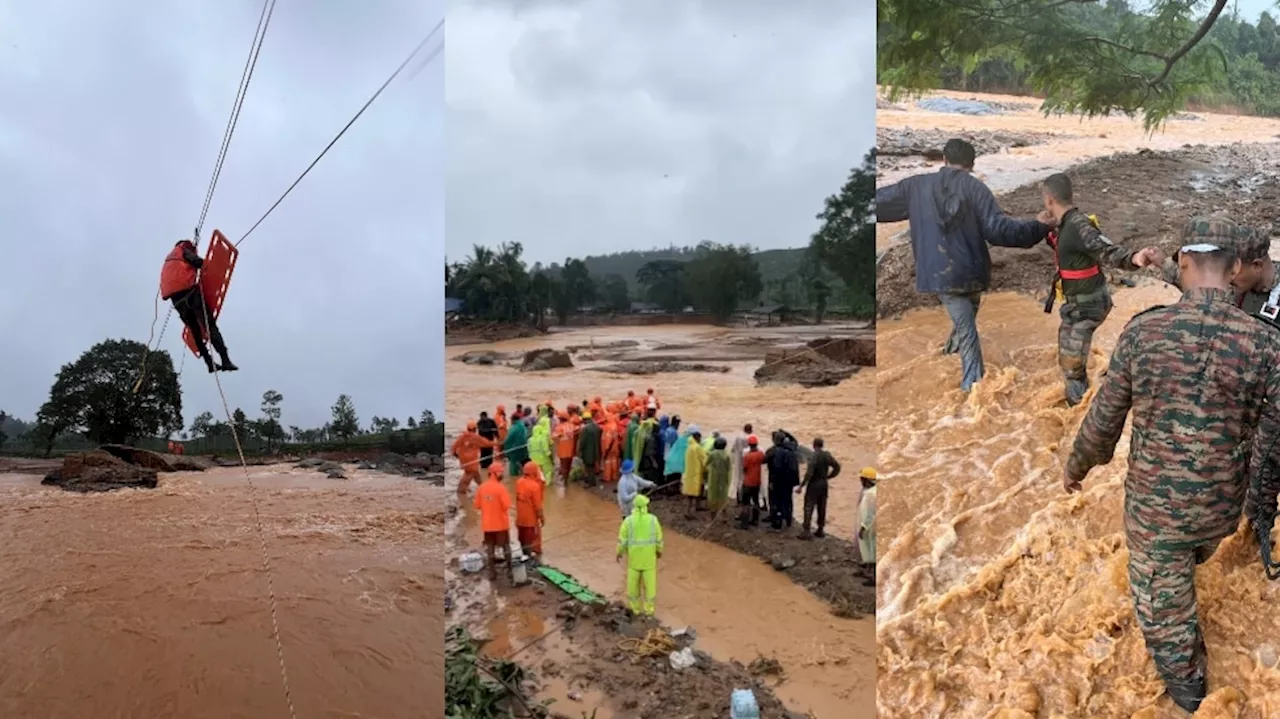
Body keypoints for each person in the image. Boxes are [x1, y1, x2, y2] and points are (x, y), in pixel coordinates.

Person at [1063, 236, 1280, 713]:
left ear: (1182, 262)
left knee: (1166, 619)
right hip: (1222, 511)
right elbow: (1273, 435)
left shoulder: (1144, 332)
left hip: (1156, 515)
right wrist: (1258, 502)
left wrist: (1075, 467)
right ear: (1236, 266)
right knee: (1194, 553)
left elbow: (1103, 422)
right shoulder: (1266, 342)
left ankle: (1191, 696)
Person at [875, 138, 1053, 392]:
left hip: (939, 274)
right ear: (971, 164)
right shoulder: (976, 189)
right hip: (973, 272)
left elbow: (876, 203)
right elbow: (999, 230)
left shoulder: (915, 187)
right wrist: (1038, 227)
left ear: (944, 160)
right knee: (967, 328)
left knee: (965, 325)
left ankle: (957, 371)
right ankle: (973, 390)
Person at [1039, 173, 1163, 406]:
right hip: (1084, 304)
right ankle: (1093, 396)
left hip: (1087, 307)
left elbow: (1105, 248)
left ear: (1048, 200)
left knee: (1071, 366)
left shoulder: (1077, 225)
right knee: (1069, 356)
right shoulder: (1067, 224)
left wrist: (1134, 258)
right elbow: (1070, 249)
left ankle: (1082, 414)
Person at [160, 239, 238, 374]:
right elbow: (198, 262)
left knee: (196, 333)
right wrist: (204, 264)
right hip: (190, 295)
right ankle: (225, 359)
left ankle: (209, 363)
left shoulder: (169, 261)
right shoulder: (183, 252)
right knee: (209, 326)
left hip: (177, 303)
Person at [616, 493, 663, 617]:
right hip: (649, 562)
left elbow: (622, 541)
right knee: (650, 589)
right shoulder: (653, 520)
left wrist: (619, 553)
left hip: (634, 562)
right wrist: (659, 551)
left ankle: (635, 611)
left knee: (633, 589)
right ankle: (649, 613)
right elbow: (659, 540)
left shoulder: (628, 521)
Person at [474, 464, 514, 582]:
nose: (502, 474)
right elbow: (507, 506)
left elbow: (477, 505)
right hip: (501, 524)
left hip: (487, 525)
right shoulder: (501, 488)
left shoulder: (482, 487)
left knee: (490, 546)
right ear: (495, 473)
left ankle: (492, 572)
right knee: (506, 546)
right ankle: (510, 570)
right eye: (501, 472)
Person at [798, 437, 841, 539]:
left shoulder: (813, 456)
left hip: (814, 484)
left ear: (814, 445)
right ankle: (820, 530)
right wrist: (829, 476)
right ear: (822, 445)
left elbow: (809, 473)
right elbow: (837, 467)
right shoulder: (827, 455)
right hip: (823, 484)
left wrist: (802, 485)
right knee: (822, 507)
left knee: (808, 506)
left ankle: (806, 531)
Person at [765, 431, 800, 530]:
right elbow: (794, 440)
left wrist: (772, 482)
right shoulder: (792, 448)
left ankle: (777, 523)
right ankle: (788, 520)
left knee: (776, 500)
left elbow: (776, 467)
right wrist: (786, 433)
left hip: (778, 481)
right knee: (788, 500)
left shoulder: (775, 451)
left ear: (775, 440)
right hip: (790, 481)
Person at [450, 421, 495, 496]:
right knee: (467, 477)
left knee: (476, 474)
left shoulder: (462, 436)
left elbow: (454, 448)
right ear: (475, 429)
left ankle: (483, 488)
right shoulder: (475, 437)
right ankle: (460, 493)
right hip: (472, 461)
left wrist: (456, 455)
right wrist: (499, 443)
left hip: (464, 461)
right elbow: (487, 443)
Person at [515, 461, 546, 561]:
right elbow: (538, 506)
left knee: (522, 538)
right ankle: (528, 558)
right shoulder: (535, 486)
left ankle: (524, 554)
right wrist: (542, 518)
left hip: (520, 518)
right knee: (529, 539)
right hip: (530, 519)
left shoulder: (519, 482)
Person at [738, 435, 765, 528]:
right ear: (756, 444)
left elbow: (744, 469)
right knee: (756, 501)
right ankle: (755, 520)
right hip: (757, 482)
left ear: (749, 445)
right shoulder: (761, 454)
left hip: (747, 482)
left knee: (745, 503)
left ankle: (744, 523)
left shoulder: (747, 456)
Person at [681, 426, 708, 519]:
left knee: (689, 494)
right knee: (697, 492)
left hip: (689, 474)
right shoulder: (697, 448)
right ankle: (692, 511)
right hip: (697, 474)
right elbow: (705, 460)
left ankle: (687, 511)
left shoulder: (689, 447)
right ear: (697, 438)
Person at [858, 467, 877, 586]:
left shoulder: (870, 494)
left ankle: (873, 578)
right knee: (870, 550)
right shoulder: (874, 491)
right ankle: (868, 571)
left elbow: (869, 514)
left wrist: (863, 527)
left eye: (862, 479)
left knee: (872, 551)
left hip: (871, 527)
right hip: (873, 525)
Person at [576, 411, 603, 485]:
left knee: (589, 467)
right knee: (592, 466)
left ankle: (592, 482)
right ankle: (590, 479)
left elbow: (582, 442)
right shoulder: (597, 426)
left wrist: (579, 450)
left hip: (588, 451)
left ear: (585, 419)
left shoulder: (585, 429)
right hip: (596, 450)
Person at [528, 409, 555, 482]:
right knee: (548, 472)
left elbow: (529, 451)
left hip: (534, 459)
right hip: (543, 459)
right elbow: (547, 451)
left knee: (536, 473)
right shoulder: (543, 439)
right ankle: (547, 486)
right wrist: (552, 460)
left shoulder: (529, 440)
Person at [706, 436, 731, 512]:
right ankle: (724, 516)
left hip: (713, 477)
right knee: (723, 495)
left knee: (712, 494)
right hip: (723, 477)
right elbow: (729, 467)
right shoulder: (727, 455)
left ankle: (712, 514)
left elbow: (706, 463)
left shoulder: (712, 454)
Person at [730, 423, 753, 498]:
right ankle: (743, 495)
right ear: (751, 430)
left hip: (738, 459)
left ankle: (737, 494)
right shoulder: (750, 437)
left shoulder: (738, 437)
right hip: (746, 460)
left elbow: (733, 449)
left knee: (737, 477)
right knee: (745, 478)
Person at [503, 412, 529, 477]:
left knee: (513, 463)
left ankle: (514, 477)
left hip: (514, 449)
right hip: (523, 448)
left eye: (511, 419)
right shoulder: (522, 426)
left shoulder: (514, 427)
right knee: (520, 462)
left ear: (513, 419)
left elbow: (508, 439)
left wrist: (503, 445)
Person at [554, 412, 577, 481]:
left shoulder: (559, 427)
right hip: (571, 449)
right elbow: (578, 429)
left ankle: (565, 480)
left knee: (563, 465)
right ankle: (567, 477)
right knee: (569, 464)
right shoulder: (572, 426)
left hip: (562, 450)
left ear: (561, 419)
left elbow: (553, 436)